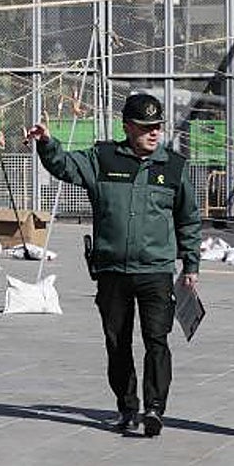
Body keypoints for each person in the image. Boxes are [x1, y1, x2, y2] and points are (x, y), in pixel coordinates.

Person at [26, 92, 201, 437]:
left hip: (155, 271)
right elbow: (64, 165)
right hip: (112, 271)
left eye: (158, 127)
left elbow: (189, 219)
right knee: (117, 342)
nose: (154, 133)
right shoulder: (103, 158)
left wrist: (191, 265)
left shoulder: (174, 166)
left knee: (157, 341)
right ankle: (128, 406)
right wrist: (47, 143)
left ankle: (154, 408)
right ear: (127, 127)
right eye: (146, 127)